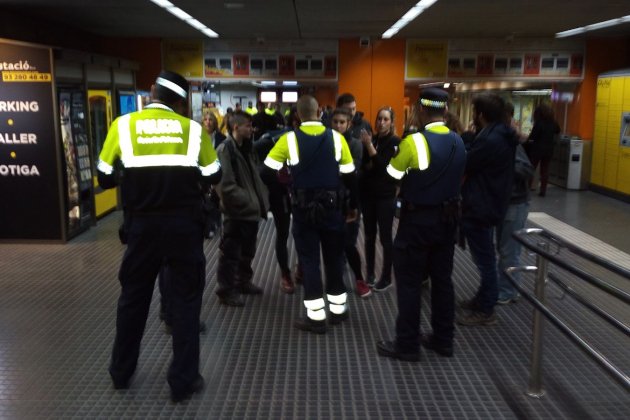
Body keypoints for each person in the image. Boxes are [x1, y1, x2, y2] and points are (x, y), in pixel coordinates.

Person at [97, 70, 221, 402]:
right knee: (185, 303)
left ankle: (121, 373)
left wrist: (133, 174)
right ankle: (183, 381)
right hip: (183, 229)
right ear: (180, 102)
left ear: (152, 92)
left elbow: (104, 178)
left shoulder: (122, 127)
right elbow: (214, 173)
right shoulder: (193, 131)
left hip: (142, 228)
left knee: (133, 300)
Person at [376, 88, 466, 362]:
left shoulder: (413, 142)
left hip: (417, 222)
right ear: (445, 111)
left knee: (410, 283)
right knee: (442, 282)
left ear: (422, 110)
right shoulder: (458, 142)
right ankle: (443, 340)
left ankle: (407, 344)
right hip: (448, 222)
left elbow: (392, 174)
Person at [263, 95, 359, 334]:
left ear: (297, 116)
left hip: (304, 210)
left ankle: (316, 318)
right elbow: (350, 175)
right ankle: (339, 311)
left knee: (310, 261)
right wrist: (346, 200)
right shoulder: (337, 139)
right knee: (334, 259)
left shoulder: (288, 140)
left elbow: (266, 171)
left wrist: (286, 182)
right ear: (319, 113)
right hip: (332, 209)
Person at [457, 93, 518, 326]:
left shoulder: (490, 140)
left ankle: (486, 308)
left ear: (480, 114)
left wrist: (467, 138)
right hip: (491, 202)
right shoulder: (502, 135)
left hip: (481, 205)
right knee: (486, 257)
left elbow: (467, 161)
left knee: (485, 260)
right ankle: (483, 299)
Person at [215, 110, 269, 307]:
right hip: (236, 212)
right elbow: (225, 186)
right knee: (230, 252)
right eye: (248, 125)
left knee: (247, 250)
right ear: (236, 127)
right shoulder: (225, 150)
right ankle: (226, 290)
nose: (251, 129)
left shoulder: (247, 148)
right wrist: (249, 200)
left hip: (249, 212)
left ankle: (242, 281)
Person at [255, 106, 300, 294]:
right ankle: (285, 274)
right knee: (283, 233)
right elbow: (260, 162)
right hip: (281, 194)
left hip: (302, 194)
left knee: (302, 233)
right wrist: (279, 177)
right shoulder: (278, 137)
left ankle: (301, 268)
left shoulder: (314, 138)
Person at [330, 107, 371, 298]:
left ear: (349, 124)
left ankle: (359, 280)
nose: (338, 125)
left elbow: (350, 172)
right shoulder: (326, 142)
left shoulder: (355, 144)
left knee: (348, 244)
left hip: (350, 201)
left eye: (342, 122)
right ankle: (336, 282)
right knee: (332, 245)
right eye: (336, 122)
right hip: (330, 201)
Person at [359, 106, 400, 290]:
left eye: (385, 119)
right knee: (368, 235)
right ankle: (369, 272)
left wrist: (369, 147)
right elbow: (365, 166)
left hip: (385, 196)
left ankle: (386, 276)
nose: (381, 123)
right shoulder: (373, 139)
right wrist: (369, 151)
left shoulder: (394, 142)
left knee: (385, 238)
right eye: (379, 119)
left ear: (392, 122)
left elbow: (384, 167)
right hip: (368, 195)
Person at [496, 103, 534, 304]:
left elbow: (526, 170)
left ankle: (508, 291)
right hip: (509, 202)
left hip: (516, 203)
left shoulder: (512, 145)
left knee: (509, 250)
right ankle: (505, 287)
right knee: (505, 248)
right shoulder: (507, 143)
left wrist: (504, 165)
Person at [526, 103, 560, 197]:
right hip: (549, 149)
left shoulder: (539, 123)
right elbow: (558, 130)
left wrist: (528, 142)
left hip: (537, 149)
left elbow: (532, 136)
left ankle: (527, 188)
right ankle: (543, 190)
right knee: (545, 170)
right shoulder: (553, 123)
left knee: (531, 169)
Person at [202, 111, 226, 239]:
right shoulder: (198, 138)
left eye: (210, 120)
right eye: (205, 120)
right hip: (203, 174)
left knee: (216, 201)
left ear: (215, 122)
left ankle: (215, 222)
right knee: (206, 201)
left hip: (217, 173)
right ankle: (208, 225)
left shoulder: (221, 138)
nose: (208, 122)